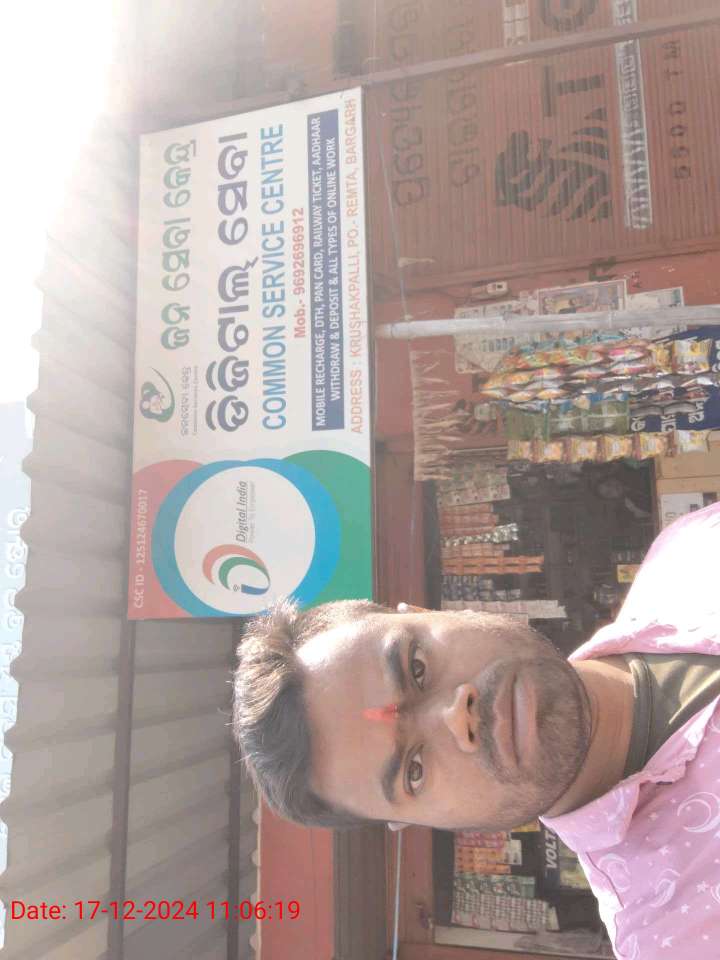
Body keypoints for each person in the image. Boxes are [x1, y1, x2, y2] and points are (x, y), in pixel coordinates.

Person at [233, 503, 720, 958]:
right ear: (418, 822)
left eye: (416, 667)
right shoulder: (678, 936)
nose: (455, 717)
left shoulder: (693, 551)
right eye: (414, 770)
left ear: (426, 613)